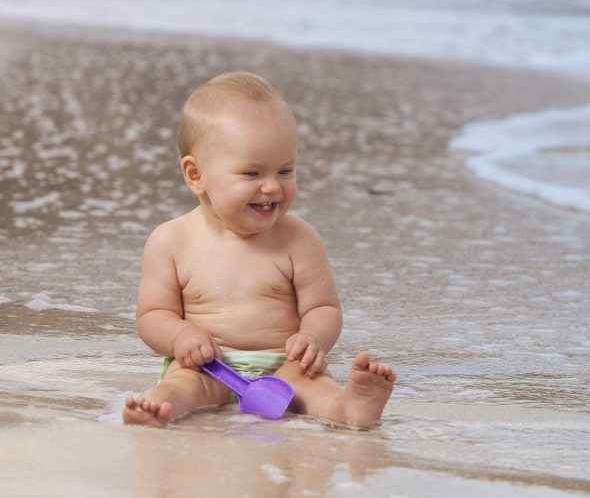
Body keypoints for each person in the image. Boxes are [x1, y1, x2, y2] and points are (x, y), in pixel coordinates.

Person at [123, 72, 395, 428]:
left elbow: (324, 307)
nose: (272, 187)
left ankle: (351, 407)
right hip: (209, 365)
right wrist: (181, 336)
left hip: (285, 365)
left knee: (312, 386)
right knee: (182, 385)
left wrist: (312, 338)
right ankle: (158, 408)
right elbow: (152, 315)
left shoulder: (299, 238)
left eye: (285, 171)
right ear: (196, 175)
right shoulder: (171, 241)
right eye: (252, 174)